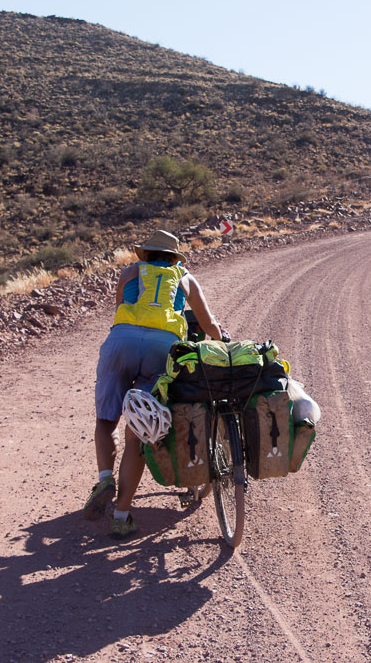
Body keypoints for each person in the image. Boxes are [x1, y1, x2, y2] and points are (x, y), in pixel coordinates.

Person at [84, 229, 227, 539]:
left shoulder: (130, 271)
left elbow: (121, 307)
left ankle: (105, 478)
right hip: (162, 348)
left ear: (146, 253)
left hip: (121, 342)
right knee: (138, 431)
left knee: (106, 420)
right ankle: (121, 516)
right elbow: (206, 323)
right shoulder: (185, 277)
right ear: (174, 257)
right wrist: (221, 340)